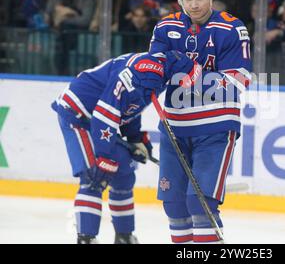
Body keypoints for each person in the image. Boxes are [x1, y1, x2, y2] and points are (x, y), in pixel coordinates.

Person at [148, 0, 252, 244]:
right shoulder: (165, 27)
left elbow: (239, 81)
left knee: (200, 204)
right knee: (174, 206)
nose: (194, 4)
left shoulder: (232, 28)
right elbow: (153, 72)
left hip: (215, 130)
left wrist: (189, 74)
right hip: (174, 128)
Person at [51, 51, 185, 243]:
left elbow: (129, 105)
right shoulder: (142, 73)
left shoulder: (156, 72)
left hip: (100, 118)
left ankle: (124, 236)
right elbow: (105, 113)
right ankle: (86, 238)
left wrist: (135, 137)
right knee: (95, 175)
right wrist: (104, 155)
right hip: (78, 115)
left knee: (124, 174)